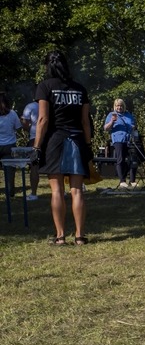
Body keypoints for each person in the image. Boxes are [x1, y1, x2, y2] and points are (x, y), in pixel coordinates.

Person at [32, 50, 93, 245]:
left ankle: (60, 237)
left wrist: (36, 146)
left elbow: (42, 119)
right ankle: (80, 236)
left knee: (57, 191)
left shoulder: (45, 87)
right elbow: (85, 122)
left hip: (55, 142)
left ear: (47, 66)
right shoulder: (80, 89)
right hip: (76, 140)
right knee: (77, 191)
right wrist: (89, 144)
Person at [104, 98, 137, 188]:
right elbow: (106, 128)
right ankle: (122, 180)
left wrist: (133, 127)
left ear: (124, 106)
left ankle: (132, 180)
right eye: (117, 105)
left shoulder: (128, 115)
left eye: (121, 105)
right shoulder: (111, 115)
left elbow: (133, 126)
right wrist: (112, 122)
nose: (119, 107)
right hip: (118, 139)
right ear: (115, 106)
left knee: (133, 159)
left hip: (129, 139)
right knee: (121, 159)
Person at [0, 94, 22, 197]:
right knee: (9, 171)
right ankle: (10, 192)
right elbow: (18, 127)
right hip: (10, 145)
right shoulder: (12, 113)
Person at [20, 90, 40, 200]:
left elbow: (25, 124)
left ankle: (33, 193)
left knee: (34, 166)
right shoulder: (51, 105)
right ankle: (62, 191)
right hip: (50, 138)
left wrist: (29, 129)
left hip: (34, 139)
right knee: (55, 166)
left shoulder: (30, 106)